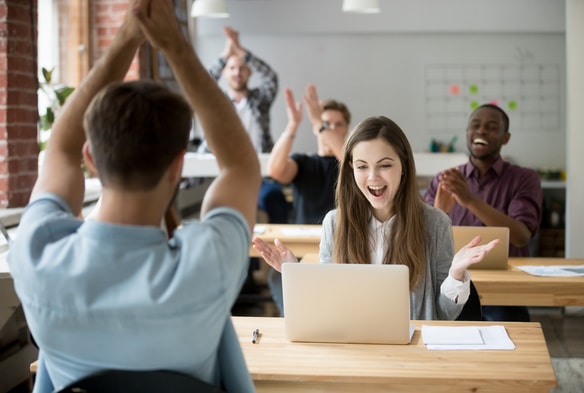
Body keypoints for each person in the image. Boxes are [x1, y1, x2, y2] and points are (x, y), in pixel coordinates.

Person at [8, 1, 259, 392]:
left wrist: (127, 37)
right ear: (178, 165)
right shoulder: (208, 265)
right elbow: (241, 166)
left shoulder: (37, 256)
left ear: (90, 158)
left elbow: (58, 149)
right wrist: (175, 47)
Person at [253, 116, 499, 320]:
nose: (373, 177)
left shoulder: (435, 223)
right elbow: (328, 306)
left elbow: (444, 316)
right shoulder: (335, 223)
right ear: (350, 170)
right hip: (354, 349)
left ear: (403, 166)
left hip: (413, 358)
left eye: (384, 165)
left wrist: (456, 274)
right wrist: (294, 273)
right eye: (361, 166)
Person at [423, 104, 543, 322]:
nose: (481, 131)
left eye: (491, 127)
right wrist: (439, 212)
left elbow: (522, 235)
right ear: (467, 133)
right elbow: (422, 240)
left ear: (505, 137)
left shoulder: (524, 178)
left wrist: (469, 200)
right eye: (475, 126)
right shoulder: (445, 179)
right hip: (454, 286)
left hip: (505, 292)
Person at [264, 84, 350, 314]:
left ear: (346, 129)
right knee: (277, 276)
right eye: (325, 123)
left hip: (340, 250)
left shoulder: (353, 165)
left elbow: (349, 158)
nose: (330, 127)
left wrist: (319, 123)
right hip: (302, 250)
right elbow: (274, 170)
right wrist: (293, 124)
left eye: (337, 124)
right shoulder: (303, 163)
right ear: (314, 128)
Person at [205, 25, 288, 224]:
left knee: (275, 199)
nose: (237, 72)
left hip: (262, 177)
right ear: (224, 73)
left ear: (249, 72)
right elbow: (203, 83)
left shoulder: (260, 99)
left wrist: (241, 51)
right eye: (232, 68)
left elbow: (270, 77)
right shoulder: (218, 103)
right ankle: (245, 256)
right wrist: (226, 53)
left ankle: (280, 253)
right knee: (232, 213)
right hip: (228, 175)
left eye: (242, 68)